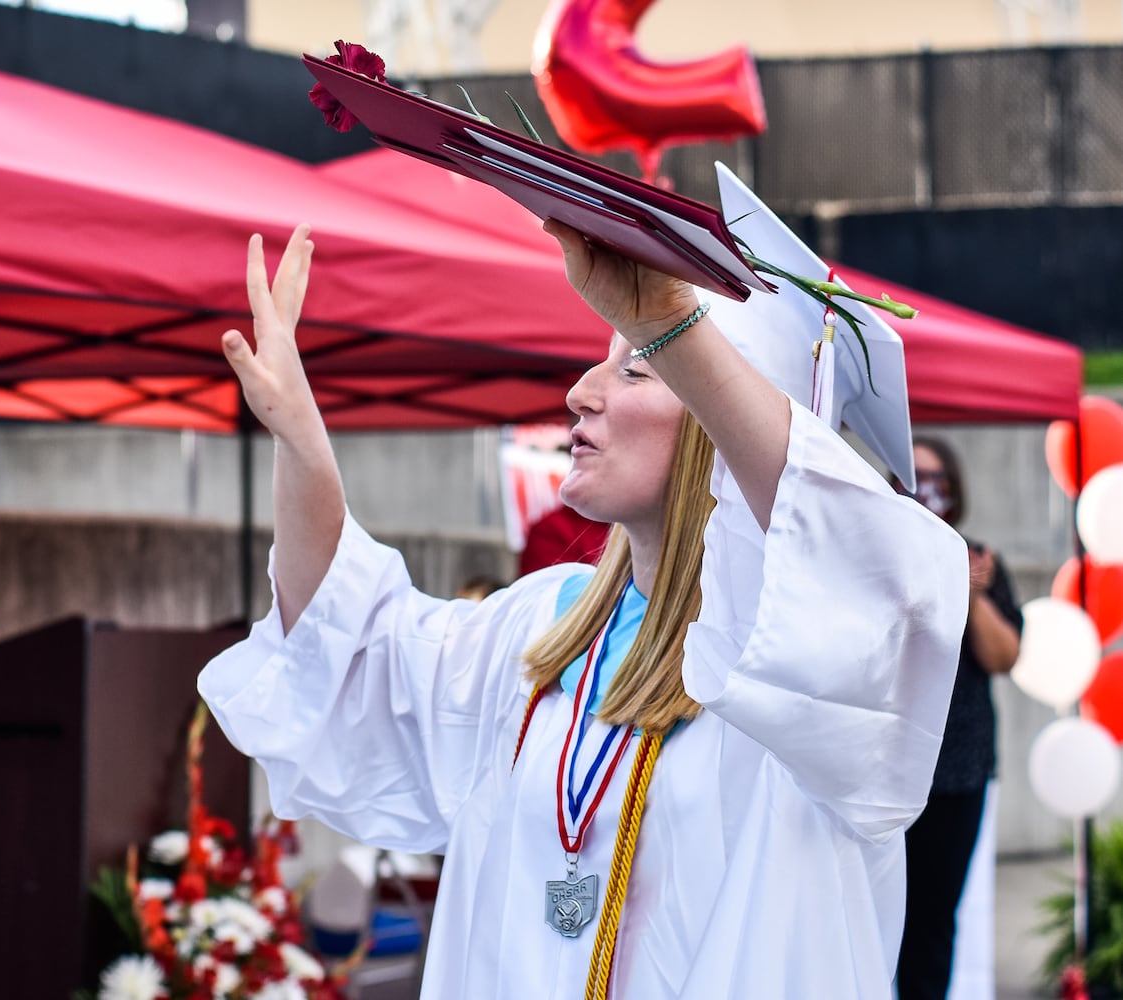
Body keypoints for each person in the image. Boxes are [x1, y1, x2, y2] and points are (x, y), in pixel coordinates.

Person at [198, 181, 970, 996]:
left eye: (638, 368)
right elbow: (354, 657)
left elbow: (865, 568)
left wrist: (676, 326)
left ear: (722, 417)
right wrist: (303, 443)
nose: (581, 393)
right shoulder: (542, 626)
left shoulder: (811, 679)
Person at [895, 436, 1022, 1000]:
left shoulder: (980, 561)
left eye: (938, 481)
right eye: (915, 478)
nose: (928, 492)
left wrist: (966, 588)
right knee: (869, 916)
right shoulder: (873, 555)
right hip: (881, 770)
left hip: (956, 774)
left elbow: (1003, 656)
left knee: (932, 918)